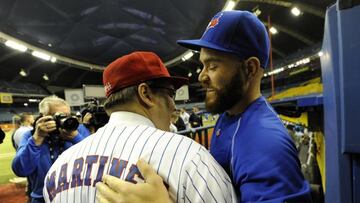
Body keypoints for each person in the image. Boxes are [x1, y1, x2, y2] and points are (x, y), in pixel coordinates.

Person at [96, 10, 312, 203]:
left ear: (250, 68)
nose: (201, 76)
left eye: (213, 65)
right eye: (202, 65)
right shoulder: (232, 116)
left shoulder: (265, 143)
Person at [43, 51, 237, 203]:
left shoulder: (58, 166)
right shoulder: (188, 156)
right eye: (170, 93)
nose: (173, 105)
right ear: (146, 94)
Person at [12, 95, 89, 203]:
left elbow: (95, 160)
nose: (64, 120)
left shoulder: (78, 130)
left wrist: (76, 138)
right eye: (57, 116)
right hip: (42, 198)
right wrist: (37, 139)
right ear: (42, 117)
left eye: (67, 115)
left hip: (76, 196)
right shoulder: (30, 135)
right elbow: (21, 170)